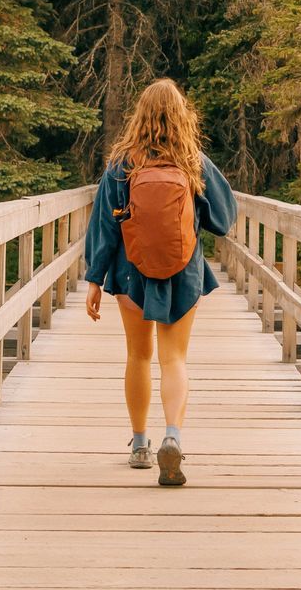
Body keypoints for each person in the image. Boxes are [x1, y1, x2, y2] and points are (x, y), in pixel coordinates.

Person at [83, 78, 236, 487]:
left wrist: (95, 279)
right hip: (183, 271)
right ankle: (173, 435)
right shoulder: (193, 162)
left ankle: (138, 444)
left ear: (140, 116)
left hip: (130, 272)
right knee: (175, 359)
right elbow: (223, 220)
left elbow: (104, 228)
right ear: (183, 116)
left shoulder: (121, 166)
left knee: (138, 356)